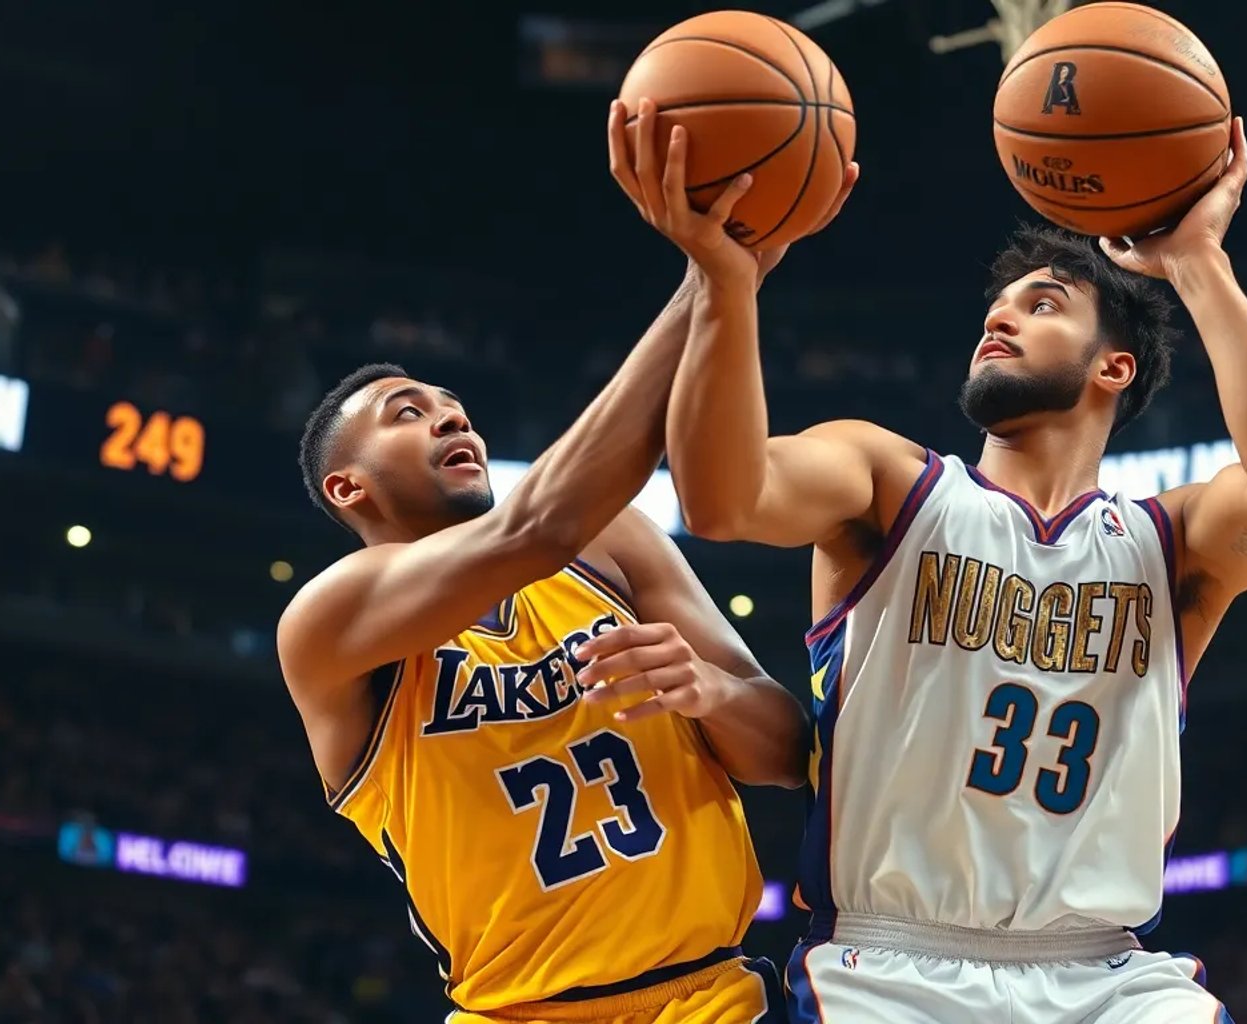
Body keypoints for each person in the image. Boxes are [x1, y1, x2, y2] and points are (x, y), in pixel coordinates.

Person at [619, 117, 1247, 1022]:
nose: (1000, 316)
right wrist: (725, 286)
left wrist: (1198, 262)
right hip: (889, 971)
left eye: (1043, 305)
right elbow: (722, 497)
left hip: (1108, 977)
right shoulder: (889, 483)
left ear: (1114, 367)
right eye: (999, 307)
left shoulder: (1175, 545)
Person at [276, 100, 850, 1024]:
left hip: (713, 999)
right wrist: (711, 280)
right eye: (408, 412)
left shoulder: (608, 543)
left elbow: (788, 753)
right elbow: (534, 525)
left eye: (454, 404)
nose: (450, 415)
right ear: (349, 488)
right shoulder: (329, 622)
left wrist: (707, 691)